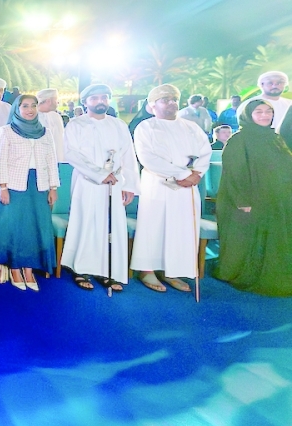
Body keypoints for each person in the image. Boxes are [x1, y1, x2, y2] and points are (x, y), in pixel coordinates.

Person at [131, 84, 212, 293]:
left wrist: (197, 173)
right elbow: (147, 158)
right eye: (165, 100)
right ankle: (147, 270)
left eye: (174, 99)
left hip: (187, 187)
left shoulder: (191, 127)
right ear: (152, 105)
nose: (171, 103)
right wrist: (182, 174)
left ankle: (172, 270)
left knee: (181, 227)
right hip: (157, 184)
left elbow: (205, 151)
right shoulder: (145, 127)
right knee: (154, 226)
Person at [60, 83, 141, 291]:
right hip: (87, 183)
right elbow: (72, 154)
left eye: (104, 97)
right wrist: (100, 174)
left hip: (115, 184)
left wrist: (130, 185)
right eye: (95, 98)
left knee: (110, 226)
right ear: (85, 102)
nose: (100, 101)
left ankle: (107, 271)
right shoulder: (76, 125)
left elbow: (128, 157)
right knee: (87, 224)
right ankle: (81, 269)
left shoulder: (118, 125)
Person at [214, 100, 292, 296]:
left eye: (268, 111)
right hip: (249, 201)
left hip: (276, 198)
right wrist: (243, 201)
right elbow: (235, 172)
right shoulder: (239, 139)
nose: (265, 115)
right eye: (259, 112)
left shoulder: (275, 138)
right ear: (248, 115)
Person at [0, 94, 59, 290]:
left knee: (35, 228)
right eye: (25, 106)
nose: (30, 110)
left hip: (39, 186)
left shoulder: (45, 133)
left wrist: (53, 188)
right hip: (13, 186)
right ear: (16, 109)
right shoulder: (6, 131)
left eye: (33, 105)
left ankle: (29, 269)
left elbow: (52, 162)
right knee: (14, 228)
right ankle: (15, 268)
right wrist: (2, 187)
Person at [36, 88, 65, 162]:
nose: (57, 103)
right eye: (56, 100)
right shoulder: (34, 118)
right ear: (49, 101)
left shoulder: (56, 116)